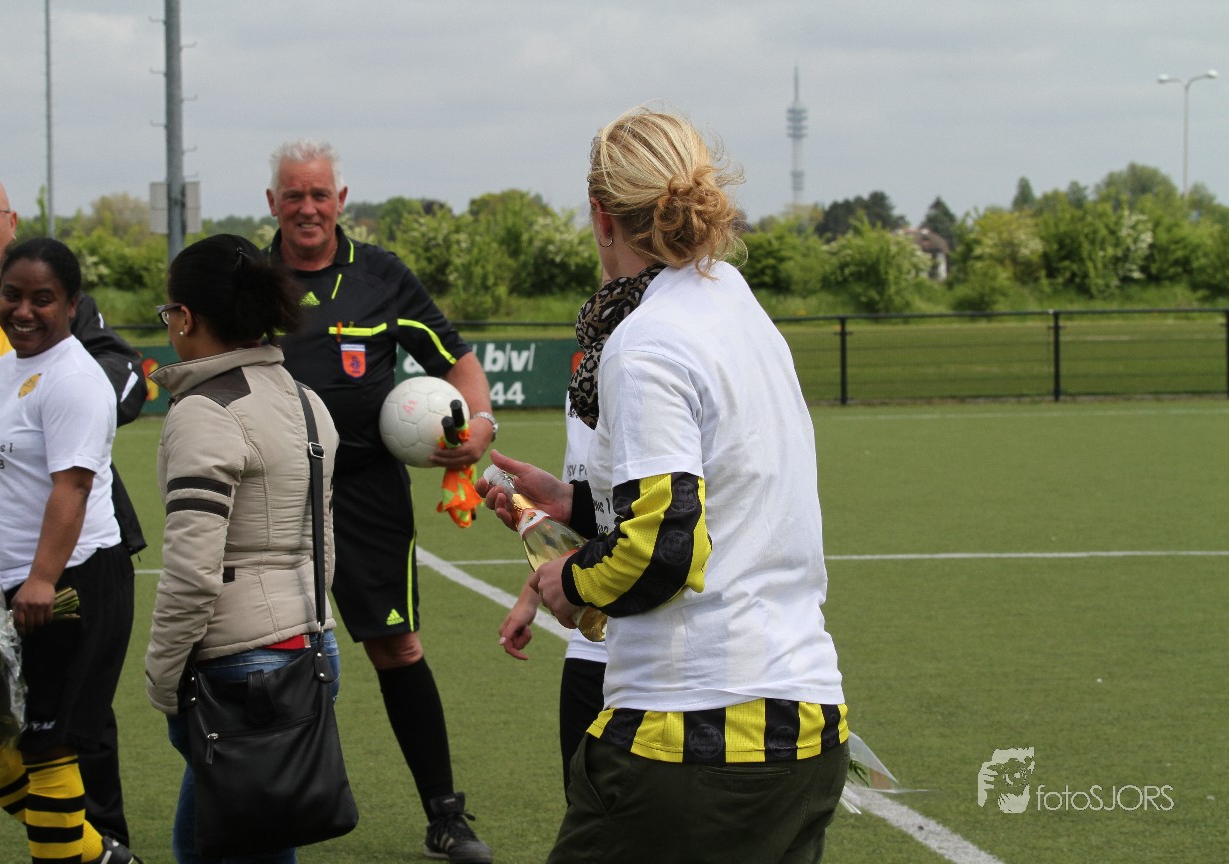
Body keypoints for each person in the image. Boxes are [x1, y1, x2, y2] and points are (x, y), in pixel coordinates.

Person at [477, 106, 850, 864]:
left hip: (691, 732)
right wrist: (578, 504)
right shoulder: (738, 304)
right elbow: (724, 496)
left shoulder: (645, 340)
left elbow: (663, 552)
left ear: (601, 215)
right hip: (808, 724)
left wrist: (567, 582)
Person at [264, 139, 494, 864]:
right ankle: (259, 811)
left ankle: (445, 816)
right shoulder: (249, 281)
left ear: (340, 200)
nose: (307, 208)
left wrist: (480, 425)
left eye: (319, 194)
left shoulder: (382, 277)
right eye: (294, 195)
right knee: (263, 652)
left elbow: (456, 361)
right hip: (273, 492)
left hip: (366, 491)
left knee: (397, 647)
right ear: (272, 203)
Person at [0, 171, 146, 864]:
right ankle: (99, 854)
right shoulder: (11, 370)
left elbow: (73, 487)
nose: (22, 311)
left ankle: (85, 852)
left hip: (70, 579)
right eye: (14, 296)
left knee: (51, 746)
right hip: (15, 579)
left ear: (73, 305)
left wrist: (43, 580)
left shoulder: (75, 379)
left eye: (42, 299)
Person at [143, 234, 341, 864]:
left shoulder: (204, 410)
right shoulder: (309, 402)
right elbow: (323, 545)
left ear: (186, 317)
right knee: (237, 840)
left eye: (168, 312)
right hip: (311, 650)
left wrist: (161, 677)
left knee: (223, 848)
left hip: (240, 671)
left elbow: (192, 573)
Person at [497, 397, 606, 795]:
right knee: (581, 796)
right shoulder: (584, 384)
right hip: (592, 637)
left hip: (658, 640)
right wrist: (529, 597)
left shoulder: (651, 372)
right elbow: (578, 514)